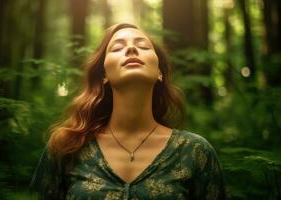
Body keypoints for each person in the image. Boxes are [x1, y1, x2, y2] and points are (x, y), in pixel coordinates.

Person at [30, 23, 226, 200]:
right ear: (104, 75)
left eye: (143, 46)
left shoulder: (195, 152)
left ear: (159, 72)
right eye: (117, 47)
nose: (131, 49)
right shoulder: (67, 146)